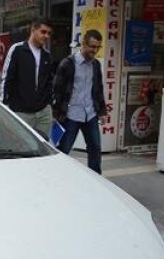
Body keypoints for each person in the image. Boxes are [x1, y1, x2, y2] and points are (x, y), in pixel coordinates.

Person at [52, 29, 108, 174]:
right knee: (64, 149)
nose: (95, 51)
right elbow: (57, 90)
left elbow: (98, 89)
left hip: (90, 114)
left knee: (95, 148)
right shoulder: (68, 64)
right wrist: (55, 114)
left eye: (97, 47)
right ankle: (57, 177)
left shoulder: (96, 65)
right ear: (83, 44)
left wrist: (102, 111)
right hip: (71, 114)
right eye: (92, 46)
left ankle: (97, 179)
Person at [0, 18, 54, 139]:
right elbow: (7, 78)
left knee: (41, 149)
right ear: (33, 30)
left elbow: (49, 82)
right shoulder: (17, 50)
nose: (46, 36)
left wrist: (49, 105)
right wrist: (4, 106)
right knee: (19, 147)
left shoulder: (47, 55)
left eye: (49, 33)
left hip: (43, 112)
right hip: (21, 112)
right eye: (43, 32)